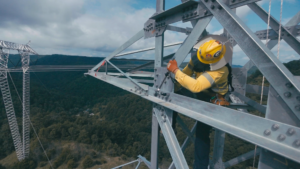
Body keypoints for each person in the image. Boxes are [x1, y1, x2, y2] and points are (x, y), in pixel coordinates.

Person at [167, 35, 234, 169]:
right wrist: (173, 88)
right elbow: (185, 74)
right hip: (200, 93)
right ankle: (169, 128)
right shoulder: (198, 57)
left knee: (202, 134)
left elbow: (195, 86)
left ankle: (200, 166)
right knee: (172, 98)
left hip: (213, 99)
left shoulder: (220, 70)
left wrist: (175, 70)